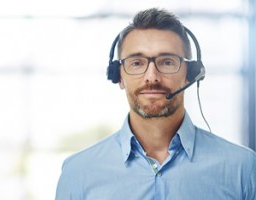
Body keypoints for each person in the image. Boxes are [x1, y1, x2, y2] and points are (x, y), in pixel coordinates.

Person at [55, 8, 256, 200]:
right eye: (137, 63)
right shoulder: (78, 172)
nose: (152, 77)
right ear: (119, 77)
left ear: (191, 74)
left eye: (167, 62)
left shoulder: (244, 168)